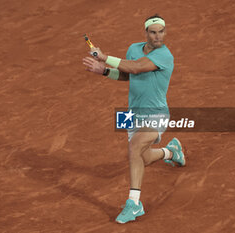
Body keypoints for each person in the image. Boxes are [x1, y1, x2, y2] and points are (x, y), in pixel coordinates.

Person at [82, 14, 186, 224]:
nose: (158, 37)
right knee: (142, 157)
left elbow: (137, 67)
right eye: (153, 32)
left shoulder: (165, 55)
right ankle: (171, 151)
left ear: (165, 32)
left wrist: (104, 58)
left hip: (156, 114)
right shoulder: (133, 49)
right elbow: (128, 74)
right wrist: (104, 71)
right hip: (132, 115)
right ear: (146, 33)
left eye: (161, 32)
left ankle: (134, 203)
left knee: (134, 148)